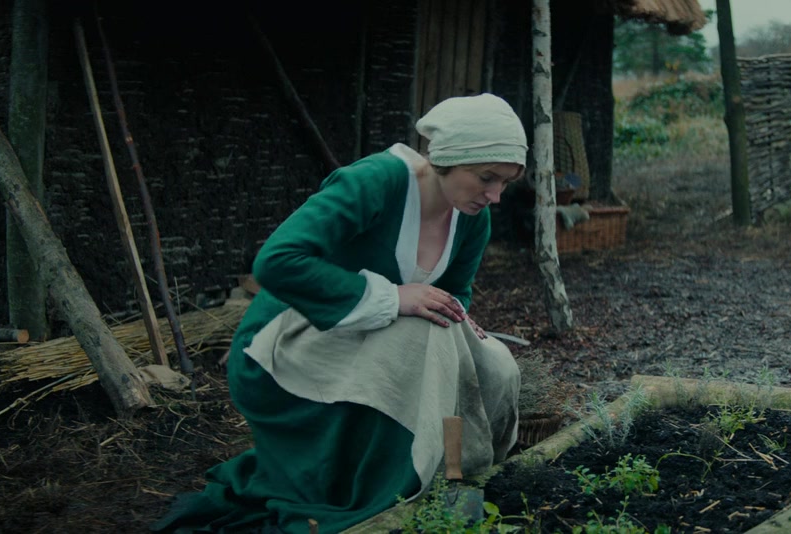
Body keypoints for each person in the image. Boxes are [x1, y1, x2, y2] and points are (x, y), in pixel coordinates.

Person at [152, 94, 526, 534]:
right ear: (447, 159)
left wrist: (459, 318)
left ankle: (460, 472)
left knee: (492, 359)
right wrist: (392, 296)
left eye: (505, 183)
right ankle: (389, 492)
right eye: (486, 178)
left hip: (373, 341)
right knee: (419, 339)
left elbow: (454, 292)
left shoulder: (472, 217)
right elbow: (277, 262)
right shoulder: (376, 182)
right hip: (289, 338)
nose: (495, 196)